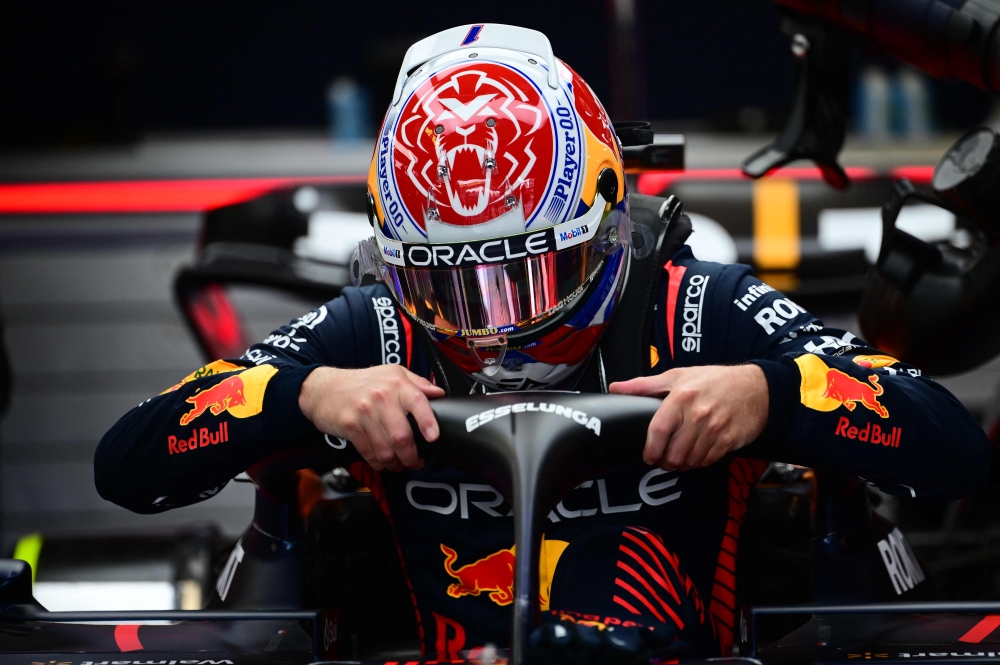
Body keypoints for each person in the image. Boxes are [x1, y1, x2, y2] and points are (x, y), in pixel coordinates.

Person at [95, 23, 990, 659]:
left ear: (604, 223)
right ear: (397, 262)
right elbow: (128, 462)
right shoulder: (372, 331)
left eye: (524, 275)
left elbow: (950, 445)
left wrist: (773, 395)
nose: (492, 324)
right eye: (449, 283)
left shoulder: (691, 312)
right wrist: (305, 395)